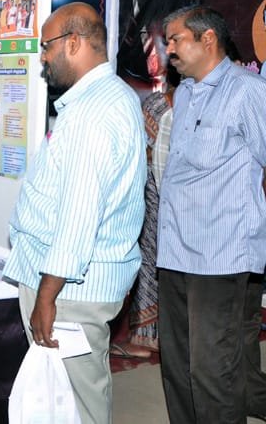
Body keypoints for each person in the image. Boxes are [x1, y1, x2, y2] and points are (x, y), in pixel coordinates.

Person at [5, 2, 146, 424]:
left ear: (73, 43)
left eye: (46, 47)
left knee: (77, 403)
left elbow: (79, 213)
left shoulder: (93, 112)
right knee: (63, 400)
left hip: (70, 292)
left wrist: (47, 294)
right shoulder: (108, 97)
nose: (43, 58)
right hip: (74, 285)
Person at [157, 5, 266, 423]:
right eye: (166, 41)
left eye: (175, 39)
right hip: (175, 251)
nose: (168, 50)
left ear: (207, 40)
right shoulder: (184, 93)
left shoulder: (247, 91)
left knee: (212, 370)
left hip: (220, 255)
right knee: (178, 364)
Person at [111, 63, 180, 360]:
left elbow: (139, 150)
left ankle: (146, 338)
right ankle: (163, 337)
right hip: (171, 199)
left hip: (156, 194)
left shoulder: (159, 104)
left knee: (151, 264)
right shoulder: (191, 105)